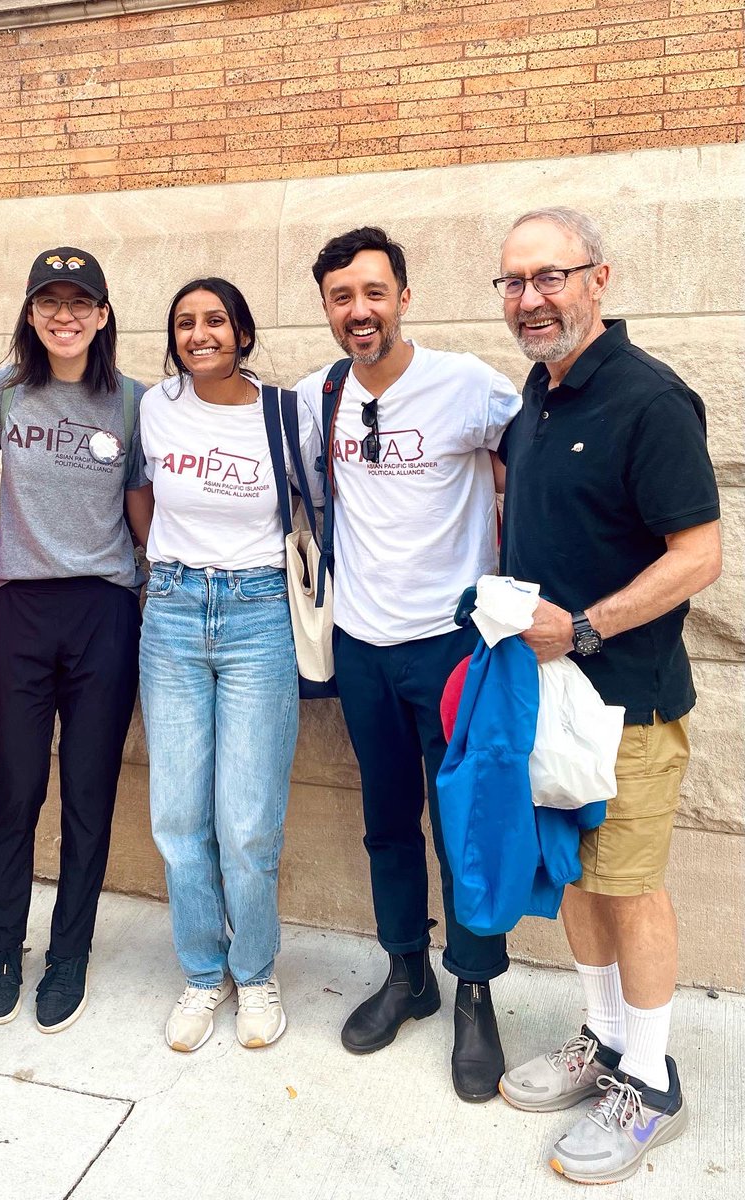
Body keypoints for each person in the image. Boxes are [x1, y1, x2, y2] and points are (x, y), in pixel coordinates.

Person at [493, 207, 721, 1184]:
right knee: (580, 878)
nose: (531, 298)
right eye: (514, 281)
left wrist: (584, 627)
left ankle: (651, 1082)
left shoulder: (651, 400)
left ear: (600, 277)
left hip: (627, 700)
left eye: (551, 276)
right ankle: (604, 1038)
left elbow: (699, 555)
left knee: (629, 887)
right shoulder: (536, 397)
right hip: (548, 701)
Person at [294, 227, 521, 1101]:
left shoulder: (466, 384)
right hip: (361, 645)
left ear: (403, 297)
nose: (359, 311)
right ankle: (407, 973)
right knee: (386, 822)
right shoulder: (320, 396)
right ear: (327, 308)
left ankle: (475, 992)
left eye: (374, 293)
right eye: (342, 297)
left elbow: (529, 468)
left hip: (452, 647)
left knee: (461, 825)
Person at [0, 247, 152, 1034]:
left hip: (104, 611)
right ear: (31, 314)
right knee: (17, 789)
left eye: (79, 303)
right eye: (49, 302)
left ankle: (69, 954)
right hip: (20, 612)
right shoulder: (2, 391)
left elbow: (142, 513)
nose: (63, 316)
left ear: (102, 316)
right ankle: (5, 948)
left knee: (90, 794)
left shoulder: (131, 402)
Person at [139, 277, 322, 1052]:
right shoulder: (154, 406)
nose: (199, 333)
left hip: (259, 617)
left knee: (247, 823)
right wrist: (162, 568)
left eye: (215, 320)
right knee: (179, 817)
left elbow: (325, 501)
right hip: (172, 614)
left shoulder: (285, 412)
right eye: (185, 322)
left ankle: (254, 972)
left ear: (242, 333)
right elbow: (141, 495)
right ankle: (201, 972)